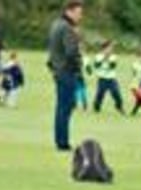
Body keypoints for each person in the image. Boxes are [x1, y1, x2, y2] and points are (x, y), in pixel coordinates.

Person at [47, 0, 84, 151]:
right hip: (66, 71)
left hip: (58, 69)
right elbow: (71, 52)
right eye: (79, 13)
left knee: (64, 106)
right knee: (65, 107)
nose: (80, 16)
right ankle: (62, 142)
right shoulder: (67, 28)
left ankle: (60, 139)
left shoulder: (56, 24)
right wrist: (78, 67)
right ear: (70, 11)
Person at [90, 39, 124, 114]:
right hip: (102, 79)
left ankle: (119, 106)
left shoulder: (113, 56)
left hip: (111, 79)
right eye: (109, 48)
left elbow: (113, 66)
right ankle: (97, 107)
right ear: (104, 48)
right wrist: (104, 58)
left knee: (116, 93)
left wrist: (108, 58)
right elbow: (96, 65)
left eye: (111, 48)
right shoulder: (98, 56)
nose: (110, 50)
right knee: (100, 95)